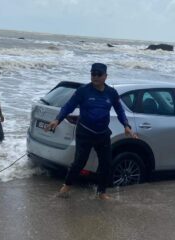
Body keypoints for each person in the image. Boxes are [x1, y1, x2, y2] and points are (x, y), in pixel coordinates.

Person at [45, 63, 137, 200]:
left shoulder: (111, 93)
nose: (95, 77)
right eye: (93, 74)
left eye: (99, 74)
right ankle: (67, 186)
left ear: (105, 76)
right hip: (85, 132)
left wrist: (126, 125)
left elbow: (120, 110)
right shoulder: (83, 91)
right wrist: (57, 120)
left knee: (106, 163)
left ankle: (101, 192)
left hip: (102, 133)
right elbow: (69, 106)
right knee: (79, 162)